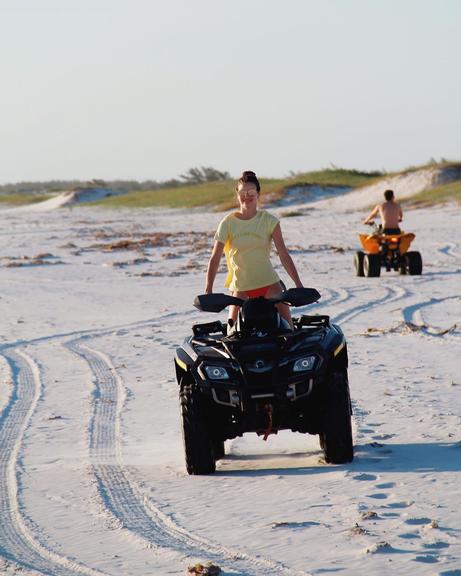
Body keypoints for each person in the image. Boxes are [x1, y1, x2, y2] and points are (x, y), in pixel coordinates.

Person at [205, 170, 303, 329]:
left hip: (270, 285)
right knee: (232, 334)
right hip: (240, 289)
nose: (247, 196)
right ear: (237, 194)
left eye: (251, 192)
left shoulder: (269, 221)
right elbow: (215, 258)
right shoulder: (227, 223)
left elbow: (283, 254)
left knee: (289, 332)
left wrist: (298, 285)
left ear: (258, 194)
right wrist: (208, 290)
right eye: (243, 192)